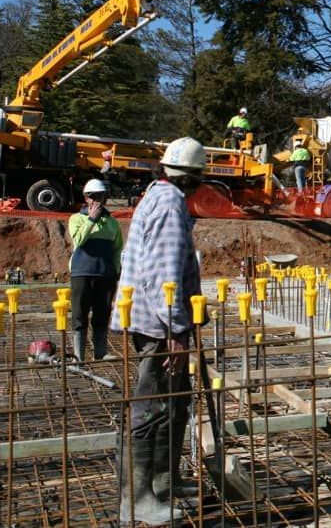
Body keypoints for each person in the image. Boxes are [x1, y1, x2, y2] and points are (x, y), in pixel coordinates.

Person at [111, 136, 207, 524]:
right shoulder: (170, 205)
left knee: (173, 405)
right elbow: (162, 275)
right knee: (149, 410)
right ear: (192, 176)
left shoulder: (155, 194)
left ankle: (164, 483)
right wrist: (176, 331)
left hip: (153, 320)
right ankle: (137, 499)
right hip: (158, 327)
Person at [68, 178, 124, 362]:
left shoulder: (112, 223)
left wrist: (116, 271)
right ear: (86, 198)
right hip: (82, 273)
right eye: (91, 197)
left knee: (102, 312)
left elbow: (117, 250)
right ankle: (79, 355)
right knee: (79, 314)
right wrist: (91, 220)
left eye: (99, 197)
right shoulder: (76, 219)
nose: (95, 201)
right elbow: (79, 240)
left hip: (105, 274)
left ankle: (100, 351)